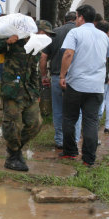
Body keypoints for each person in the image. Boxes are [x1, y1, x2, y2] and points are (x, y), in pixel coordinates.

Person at [0, 20, 55, 171]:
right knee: (12, 125)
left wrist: (36, 92)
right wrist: (7, 42)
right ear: (36, 31)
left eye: (49, 35)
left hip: (29, 92)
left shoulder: (36, 47)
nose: (47, 36)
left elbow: (34, 71)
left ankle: (14, 151)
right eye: (46, 33)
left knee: (35, 123)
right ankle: (13, 157)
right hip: (12, 90)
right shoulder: (15, 41)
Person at [58, 5, 109, 166]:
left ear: (80, 17)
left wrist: (62, 75)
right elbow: (107, 58)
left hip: (76, 84)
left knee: (69, 118)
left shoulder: (75, 32)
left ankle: (70, 151)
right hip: (96, 87)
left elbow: (68, 54)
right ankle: (89, 159)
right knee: (91, 122)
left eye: (76, 18)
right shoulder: (104, 36)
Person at [39, 11, 80, 148]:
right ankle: (74, 139)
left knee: (58, 110)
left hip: (56, 76)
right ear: (76, 20)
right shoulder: (79, 32)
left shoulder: (54, 33)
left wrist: (44, 76)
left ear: (64, 20)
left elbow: (43, 57)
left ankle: (59, 140)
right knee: (75, 110)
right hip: (75, 78)